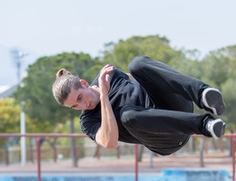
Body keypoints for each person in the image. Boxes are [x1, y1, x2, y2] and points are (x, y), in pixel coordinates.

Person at [52, 56, 226, 156]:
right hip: (167, 138)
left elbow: (146, 78)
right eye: (75, 106)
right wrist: (104, 96)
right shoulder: (88, 122)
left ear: (83, 83)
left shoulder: (107, 75)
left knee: (137, 64)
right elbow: (109, 142)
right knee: (127, 116)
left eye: (80, 97)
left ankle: (203, 94)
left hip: (174, 107)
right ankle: (205, 124)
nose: (84, 105)